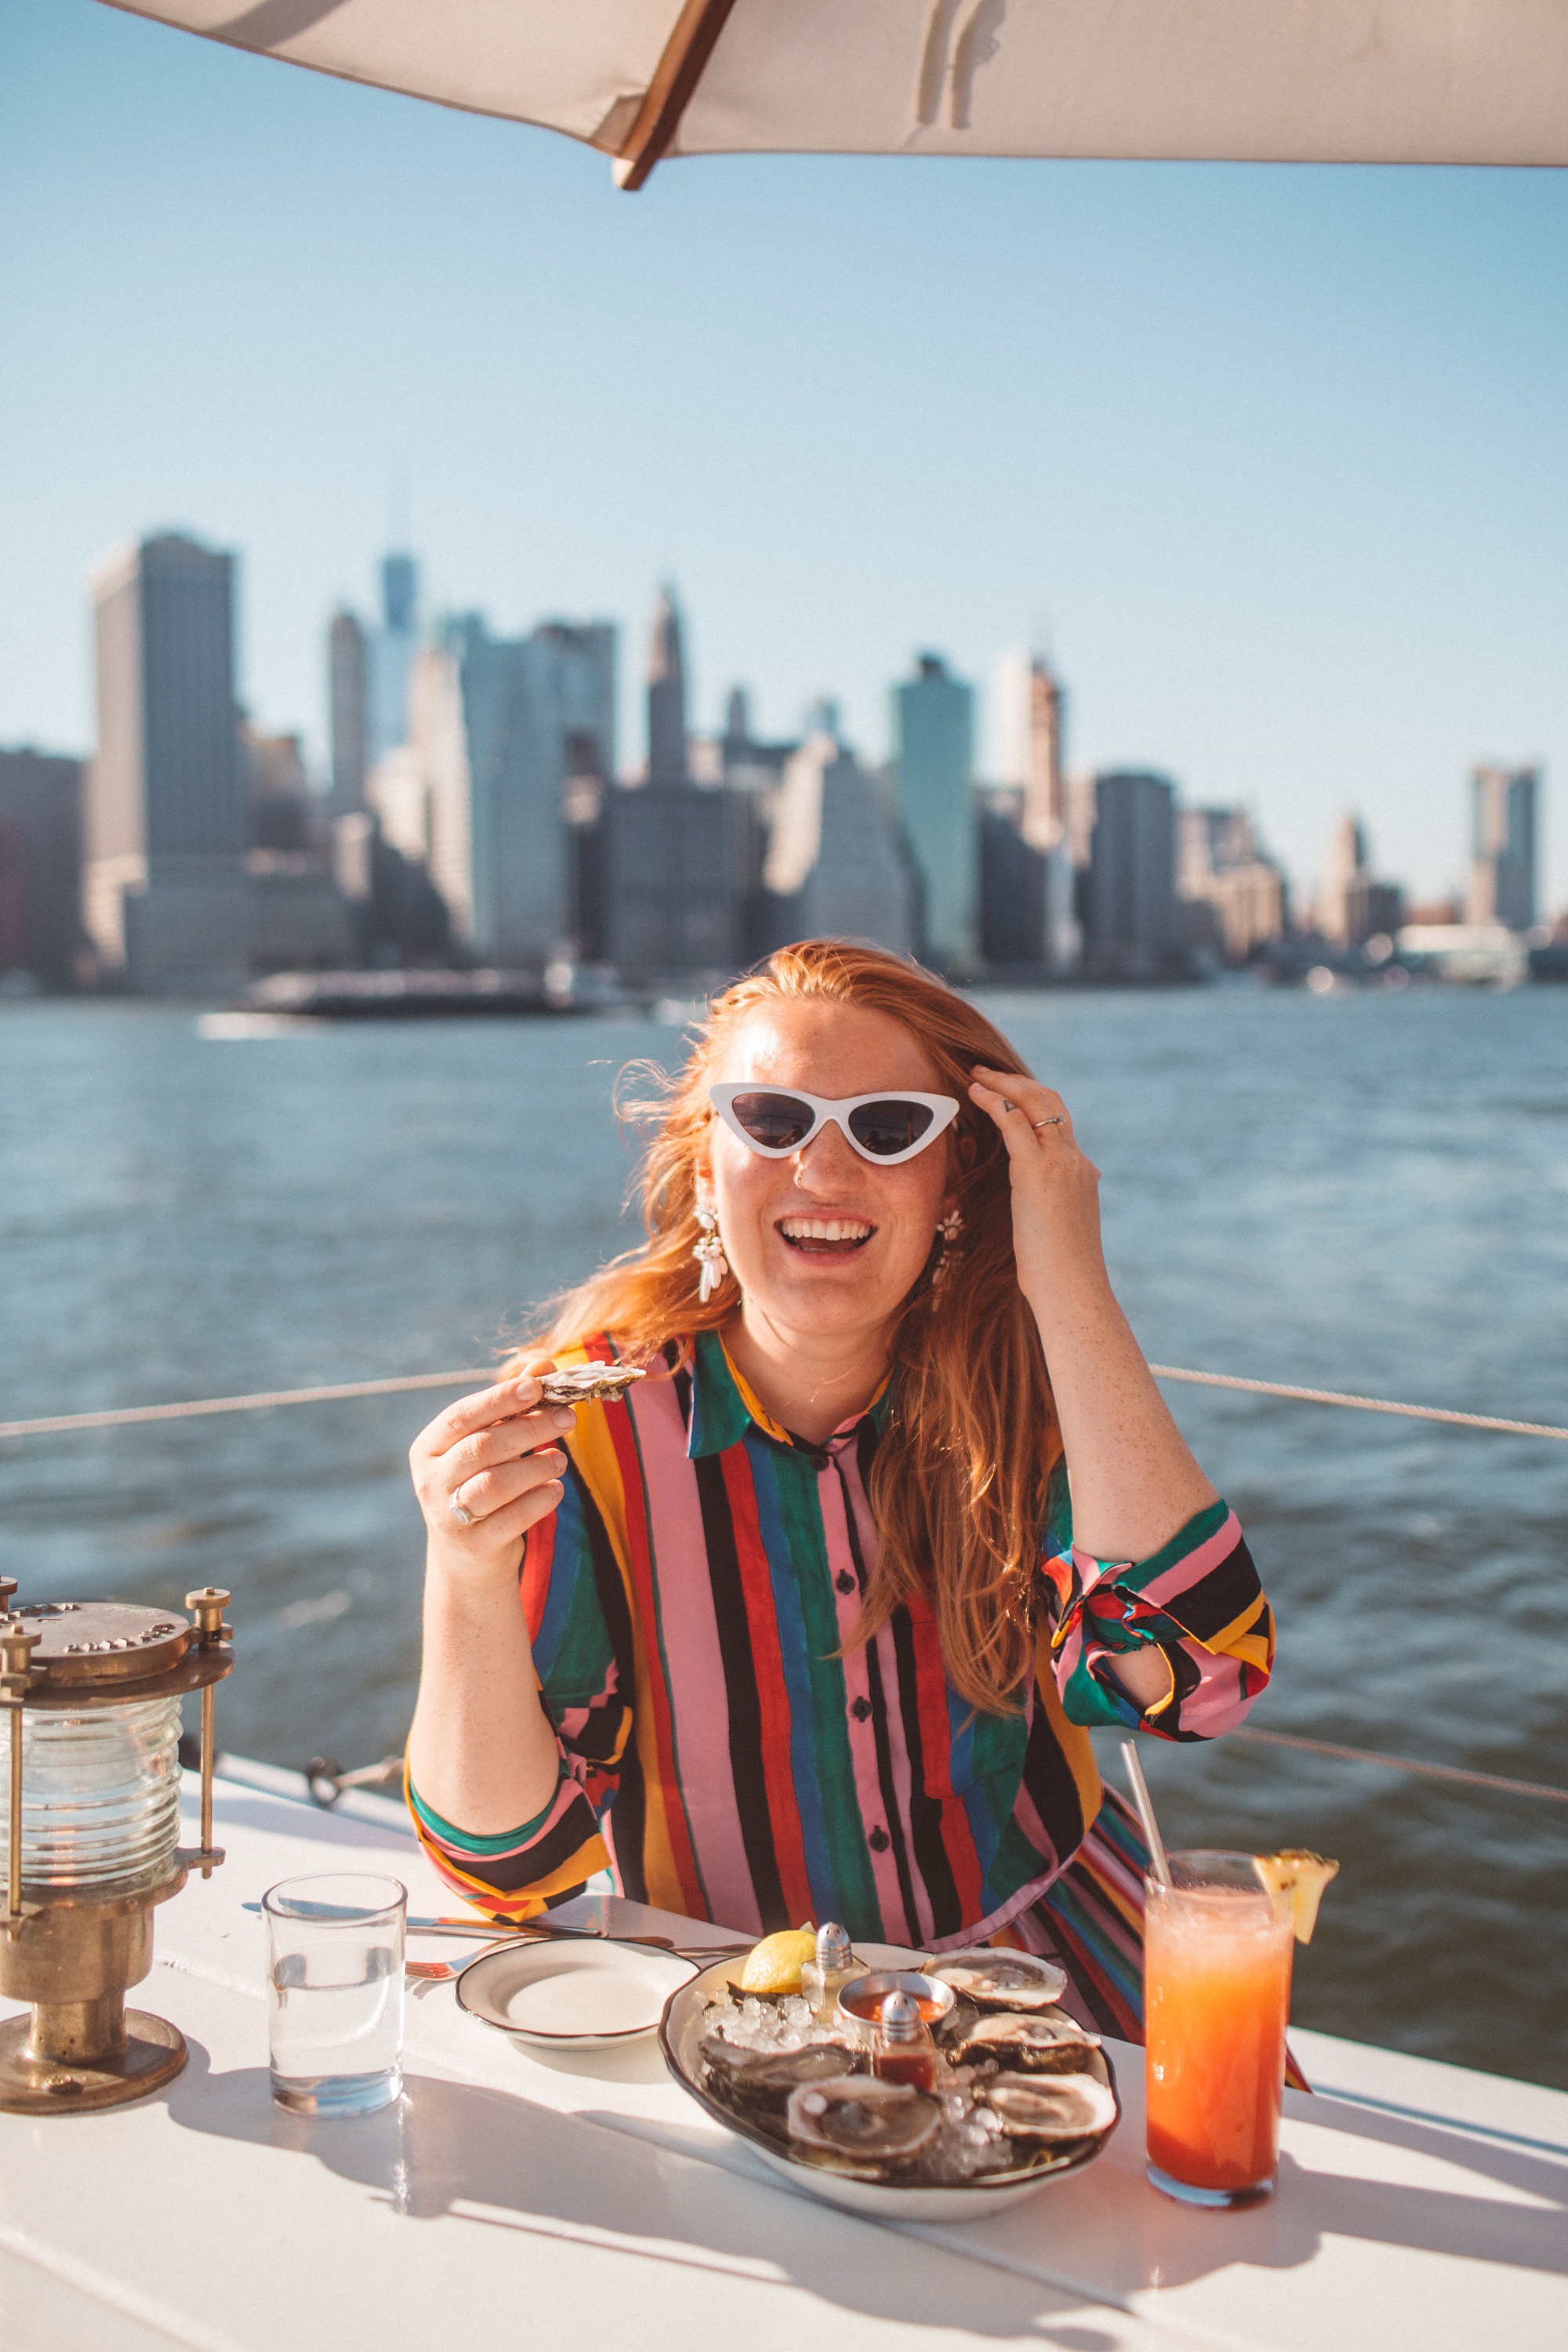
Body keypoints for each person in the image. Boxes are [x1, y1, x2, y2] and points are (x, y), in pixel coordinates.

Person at [405, 940, 1273, 2038]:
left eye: (888, 1125)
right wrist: (466, 1570)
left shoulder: (1035, 1393)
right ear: (705, 1165)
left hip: (1051, 1972)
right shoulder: (572, 1437)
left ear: (956, 1176)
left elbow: (1196, 1686)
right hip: (729, 2004)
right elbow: (508, 1870)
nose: (824, 1170)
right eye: (772, 1119)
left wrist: (1067, 1278)